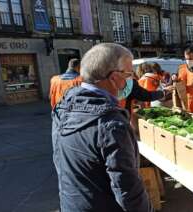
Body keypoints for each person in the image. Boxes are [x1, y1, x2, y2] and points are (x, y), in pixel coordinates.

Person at [51, 43, 152, 212]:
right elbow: (128, 191)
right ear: (113, 77)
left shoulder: (62, 107)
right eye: (129, 74)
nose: (132, 78)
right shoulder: (112, 124)